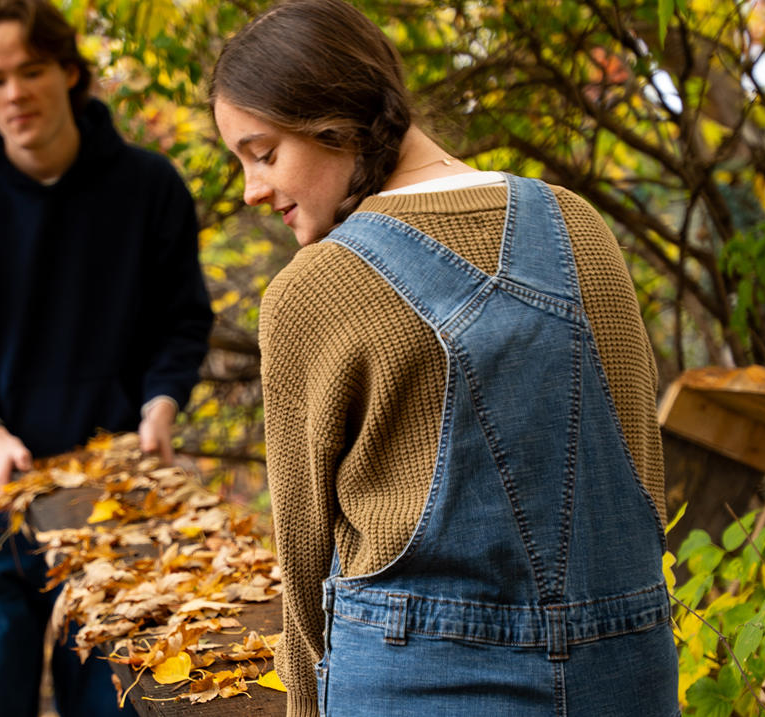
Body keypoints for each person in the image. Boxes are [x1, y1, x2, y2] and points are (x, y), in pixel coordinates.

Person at [209, 1, 677, 715]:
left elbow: (304, 567)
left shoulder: (313, 289)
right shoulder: (579, 225)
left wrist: (309, 702)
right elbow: (641, 482)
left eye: (264, 152)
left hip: (416, 680)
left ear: (334, 120)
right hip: (625, 667)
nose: (251, 190)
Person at [0, 0, 213, 713]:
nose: (14, 93)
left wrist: (161, 404)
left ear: (70, 72)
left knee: (111, 702)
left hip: (116, 489)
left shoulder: (149, 188)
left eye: (31, 70)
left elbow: (181, 319)